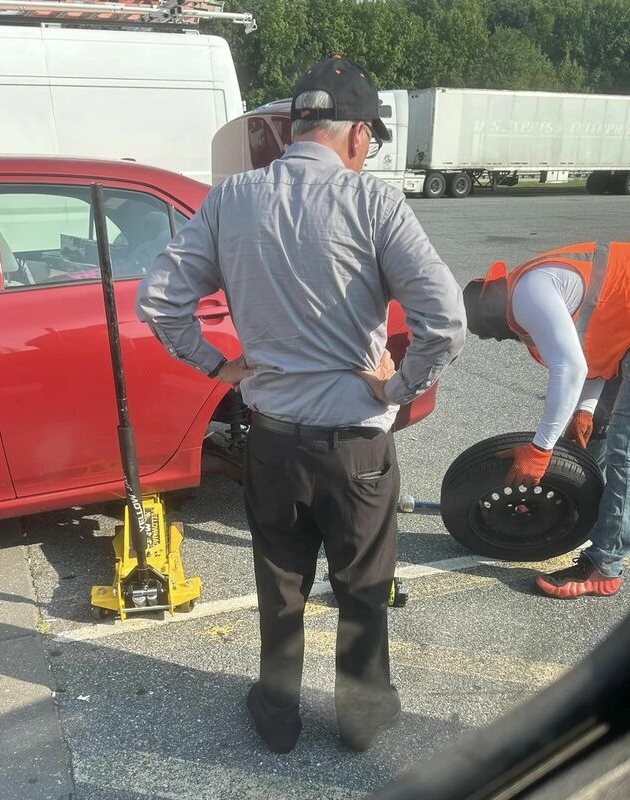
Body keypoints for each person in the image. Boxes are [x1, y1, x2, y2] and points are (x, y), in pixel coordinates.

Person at [136, 55, 465, 753]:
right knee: (362, 588)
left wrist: (220, 365)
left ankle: (278, 716)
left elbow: (159, 302)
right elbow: (445, 321)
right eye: (370, 139)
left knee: (281, 587)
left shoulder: (231, 199)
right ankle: (361, 718)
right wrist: (399, 389)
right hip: (357, 449)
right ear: (355, 137)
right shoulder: (373, 202)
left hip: (274, 439)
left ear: (296, 127)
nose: (368, 150)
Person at [463, 242, 630, 599]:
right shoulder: (533, 288)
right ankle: (579, 510)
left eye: (497, 333)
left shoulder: (529, 294)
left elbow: (571, 367)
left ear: (492, 311)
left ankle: (605, 566)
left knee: (626, 443)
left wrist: (540, 450)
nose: (508, 338)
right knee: (598, 432)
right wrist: (586, 410)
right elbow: (593, 351)